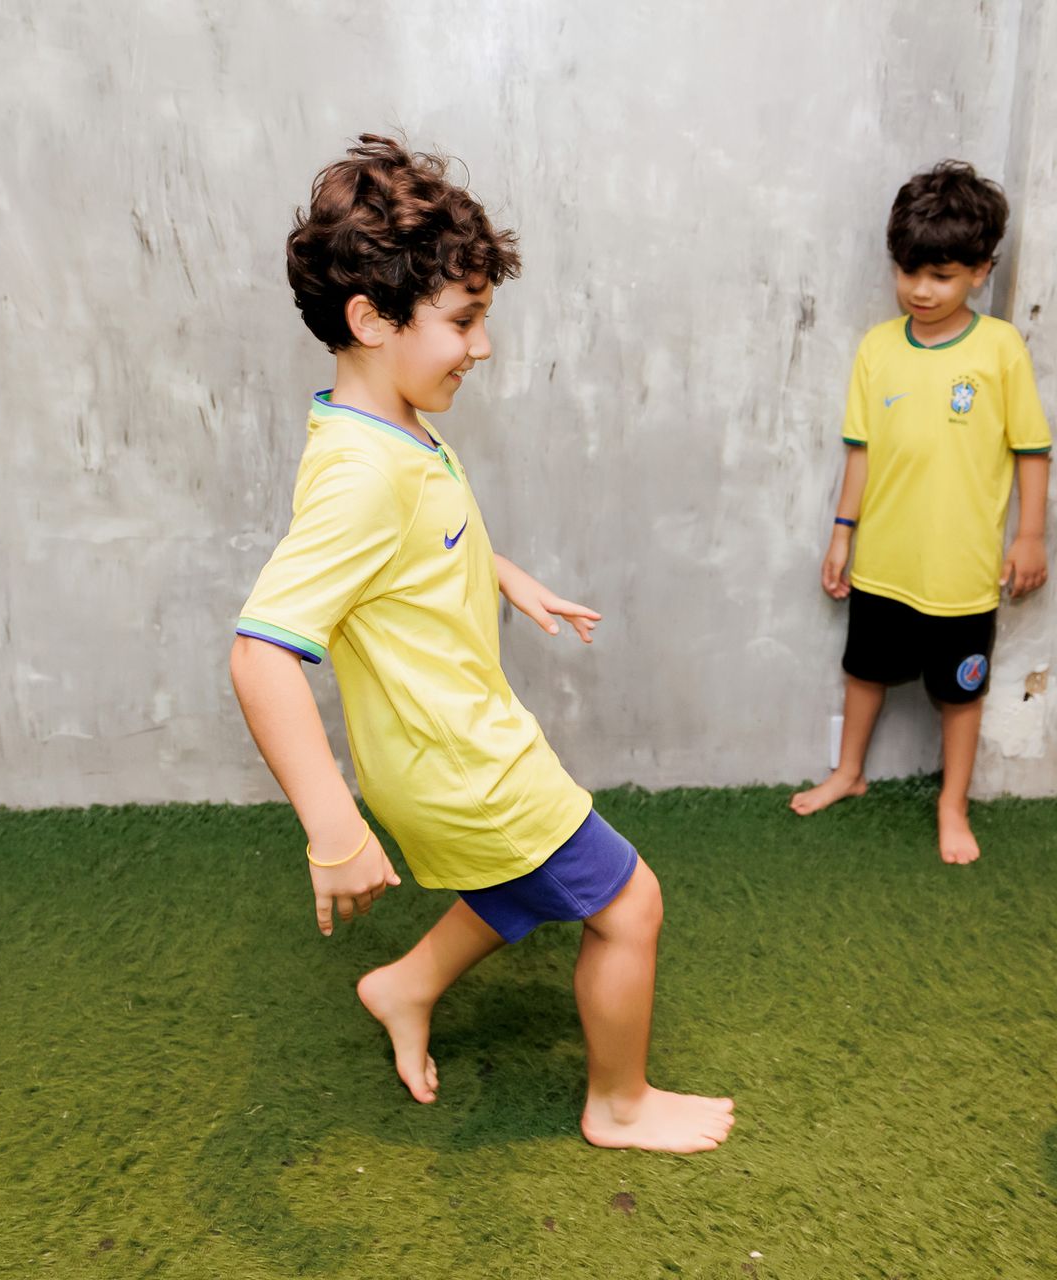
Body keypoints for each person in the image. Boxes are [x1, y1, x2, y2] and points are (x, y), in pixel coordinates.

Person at [228, 135, 733, 1153]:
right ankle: (620, 1103)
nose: (483, 346)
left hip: (451, 744)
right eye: (463, 321)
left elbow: (421, 536)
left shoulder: (386, 426)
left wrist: (505, 574)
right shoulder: (361, 475)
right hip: (464, 760)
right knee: (630, 902)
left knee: (517, 881)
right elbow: (261, 653)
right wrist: (333, 827)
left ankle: (402, 985)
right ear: (370, 319)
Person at [790, 161, 1053, 864]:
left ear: (981, 270)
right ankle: (849, 774)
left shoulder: (1000, 350)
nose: (920, 290)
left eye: (940, 275)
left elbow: (1032, 450)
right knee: (864, 671)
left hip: (961, 573)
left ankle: (952, 804)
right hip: (882, 563)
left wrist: (1030, 535)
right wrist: (841, 534)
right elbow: (861, 452)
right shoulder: (877, 349)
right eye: (909, 272)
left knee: (959, 696)